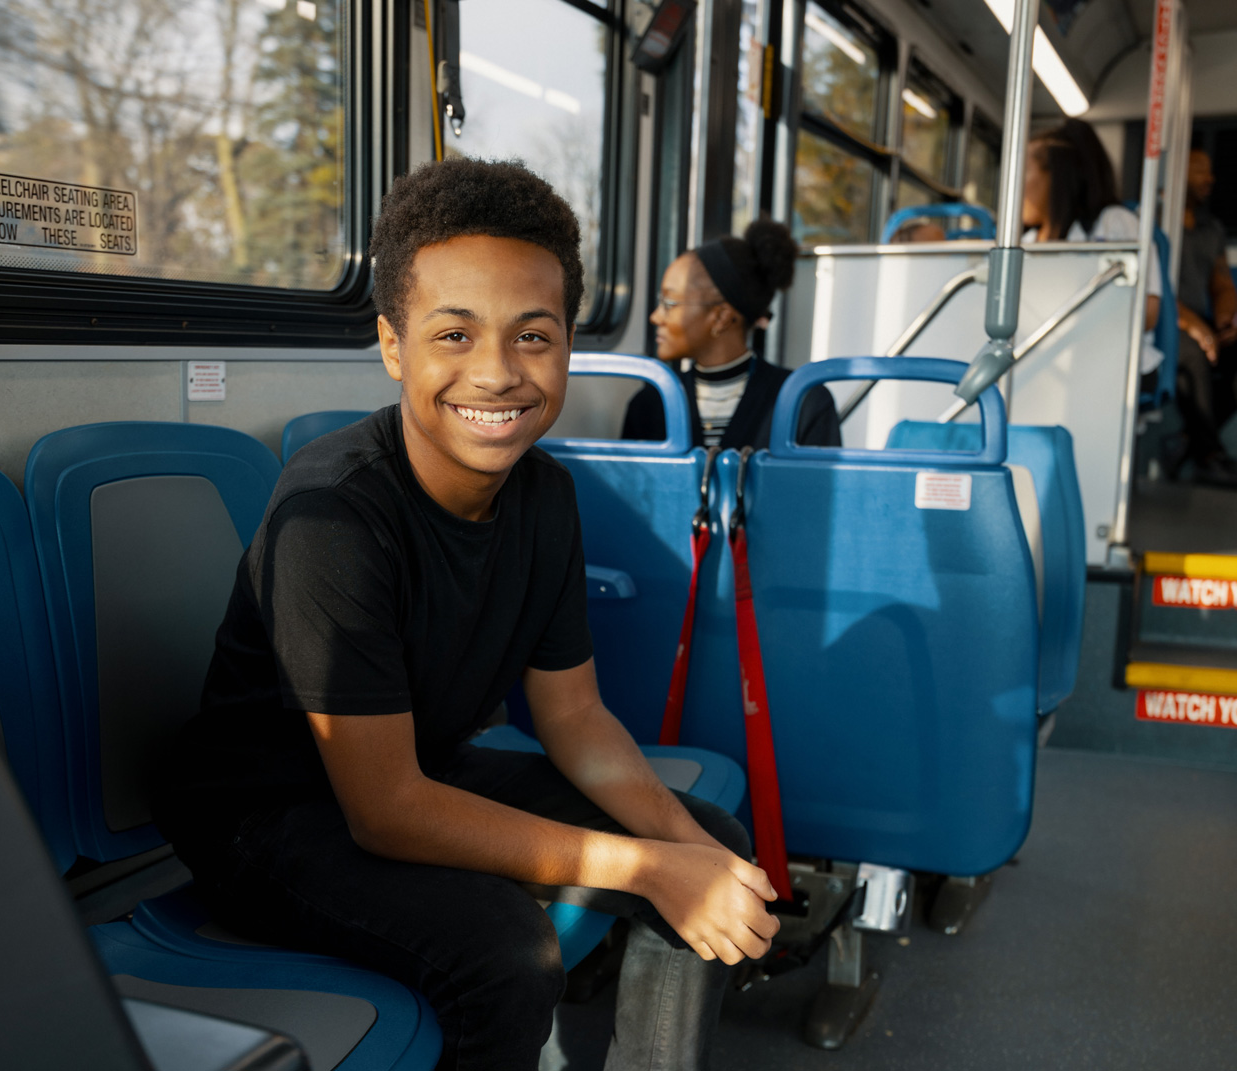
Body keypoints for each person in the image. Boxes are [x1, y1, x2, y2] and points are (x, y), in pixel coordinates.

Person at [153, 157, 780, 1071]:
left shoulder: (546, 496)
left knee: (715, 841)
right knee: (506, 952)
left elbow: (575, 718)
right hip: (269, 817)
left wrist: (688, 853)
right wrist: (647, 865)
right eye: (454, 334)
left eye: (533, 336)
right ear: (393, 345)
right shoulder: (332, 514)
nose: (496, 373)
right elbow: (386, 811)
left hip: (422, 768)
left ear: (567, 344)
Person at [1022, 119, 1237, 483]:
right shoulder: (1027, 242)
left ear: (1058, 176)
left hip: (1106, 357)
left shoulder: (1115, 224)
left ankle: (1204, 450)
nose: (1018, 185)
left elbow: (1148, 311)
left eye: (1026, 171)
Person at [621, 218, 841, 450]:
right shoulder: (649, 404)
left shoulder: (804, 402)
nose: (655, 317)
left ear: (721, 317)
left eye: (670, 303)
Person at [1178, 146, 1237, 429]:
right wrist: (1195, 327)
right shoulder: (1154, 222)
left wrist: (1226, 320)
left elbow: (1222, 284)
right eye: (1200, 170)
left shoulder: (1211, 228)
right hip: (1169, 321)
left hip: (1202, 320)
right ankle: (1207, 448)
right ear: (1178, 172)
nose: (1210, 179)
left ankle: (1202, 439)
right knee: (1195, 355)